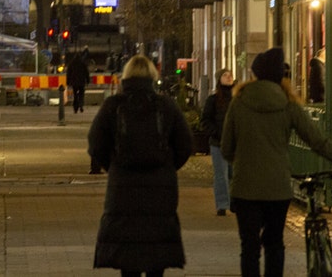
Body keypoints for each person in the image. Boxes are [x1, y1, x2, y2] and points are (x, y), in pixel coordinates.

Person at [222, 47, 332, 277]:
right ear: (280, 76)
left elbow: (227, 148)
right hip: (277, 189)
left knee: (249, 248)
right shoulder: (288, 104)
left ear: (255, 74)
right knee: (275, 244)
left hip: (245, 188)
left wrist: (243, 160)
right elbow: (316, 140)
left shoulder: (239, 103)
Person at [88, 54, 193, 277]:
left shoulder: (113, 106)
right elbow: (185, 144)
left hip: (123, 188)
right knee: (157, 254)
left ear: (125, 76)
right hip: (160, 189)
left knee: (128, 258)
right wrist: (167, 166)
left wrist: (114, 166)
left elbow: (96, 144)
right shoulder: (166, 106)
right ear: (152, 77)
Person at [200, 68, 236, 216]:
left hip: (235, 144)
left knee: (234, 174)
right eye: (225, 75)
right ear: (219, 79)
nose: (228, 77)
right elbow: (205, 120)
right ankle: (222, 204)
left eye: (230, 75)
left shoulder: (238, 98)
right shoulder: (213, 100)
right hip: (218, 143)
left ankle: (235, 202)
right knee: (221, 174)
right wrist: (216, 133)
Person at [67, 48, 90, 113]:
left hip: (74, 82)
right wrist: (87, 80)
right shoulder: (83, 64)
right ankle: (81, 104)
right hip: (81, 81)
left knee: (75, 95)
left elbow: (68, 73)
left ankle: (75, 107)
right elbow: (86, 72)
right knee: (81, 94)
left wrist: (68, 82)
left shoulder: (71, 63)